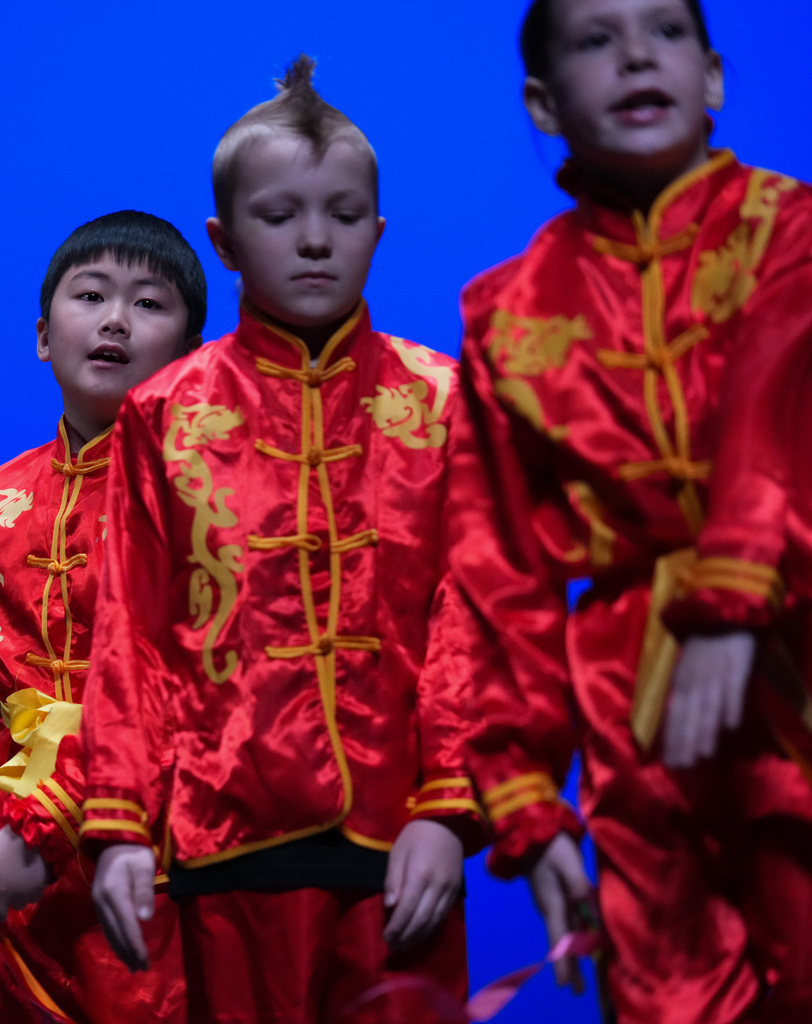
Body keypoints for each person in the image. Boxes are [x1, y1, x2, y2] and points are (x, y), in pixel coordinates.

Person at [81, 57, 574, 1024]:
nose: (316, 241)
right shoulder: (163, 414)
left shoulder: (440, 402)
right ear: (224, 239)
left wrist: (446, 806)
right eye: (280, 216)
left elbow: (470, 613)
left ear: (379, 231)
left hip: (398, 847)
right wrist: (119, 823)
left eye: (344, 216)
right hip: (217, 834)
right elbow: (127, 633)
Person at [459, 1, 812, 1020]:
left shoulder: (788, 229)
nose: (632, 56)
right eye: (593, 40)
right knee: (667, 993)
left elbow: (773, 406)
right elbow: (498, 566)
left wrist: (732, 591)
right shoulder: (509, 308)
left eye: (663, 30)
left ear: (708, 77)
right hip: (630, 699)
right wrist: (526, 801)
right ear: (543, 102)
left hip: (794, 641)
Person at [0, 211, 207, 1024]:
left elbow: (191, 692)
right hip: (8, 872)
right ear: (42, 337)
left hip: (156, 853)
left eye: (149, 303)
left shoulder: (205, 495)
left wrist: (49, 820)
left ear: (194, 355)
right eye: (91, 295)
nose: (116, 320)